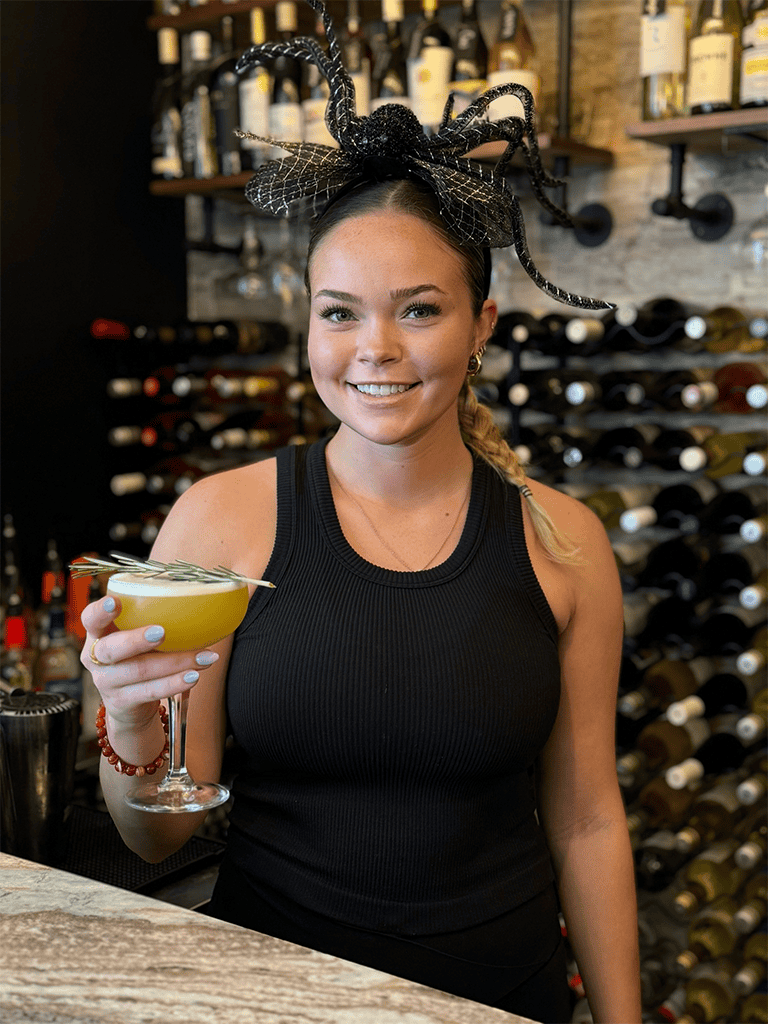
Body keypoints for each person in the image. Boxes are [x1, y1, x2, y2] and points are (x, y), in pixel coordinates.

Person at [80, 3, 641, 1021]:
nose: (374, 348)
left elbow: (589, 822)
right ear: (310, 323)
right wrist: (128, 720)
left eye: (418, 308)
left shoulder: (565, 544)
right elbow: (155, 831)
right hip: (276, 1001)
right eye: (339, 312)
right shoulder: (219, 522)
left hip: (503, 999)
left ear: (481, 325)